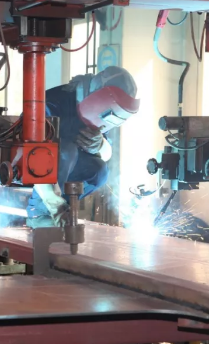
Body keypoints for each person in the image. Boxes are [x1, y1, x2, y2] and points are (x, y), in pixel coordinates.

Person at [26, 66, 139, 227]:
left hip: (64, 167)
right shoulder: (52, 102)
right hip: (31, 160)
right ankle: (40, 213)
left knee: (99, 170)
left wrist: (99, 145)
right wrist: (53, 203)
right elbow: (34, 152)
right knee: (67, 151)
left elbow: (106, 154)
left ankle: (63, 210)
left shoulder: (102, 110)